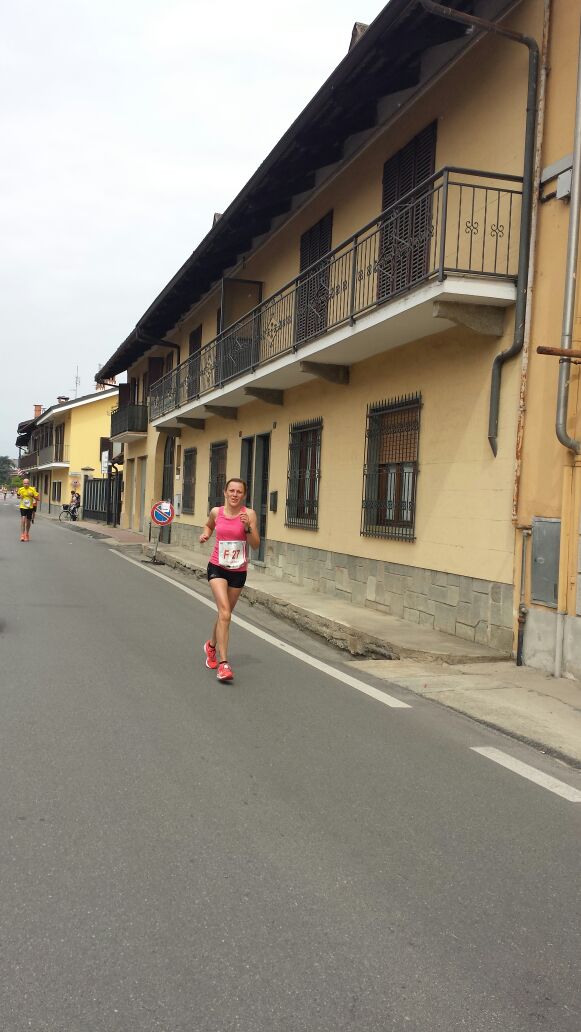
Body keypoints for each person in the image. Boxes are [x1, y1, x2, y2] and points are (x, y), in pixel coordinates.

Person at [199, 477, 259, 682]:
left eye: (239, 492)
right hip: (217, 566)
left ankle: (211, 646)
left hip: (238, 570)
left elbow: (256, 544)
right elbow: (208, 526)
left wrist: (248, 528)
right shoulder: (217, 512)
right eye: (231, 491)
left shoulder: (249, 514)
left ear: (244, 495)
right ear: (225, 492)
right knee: (224, 612)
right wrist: (205, 535)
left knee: (225, 615)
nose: (234, 494)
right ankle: (224, 665)